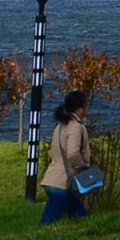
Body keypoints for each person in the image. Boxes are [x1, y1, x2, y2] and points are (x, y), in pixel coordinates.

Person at [39, 91, 94, 224]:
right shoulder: (75, 127)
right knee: (47, 223)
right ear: (80, 109)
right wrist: (83, 166)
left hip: (53, 179)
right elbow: (73, 154)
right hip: (63, 184)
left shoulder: (60, 126)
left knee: (80, 217)